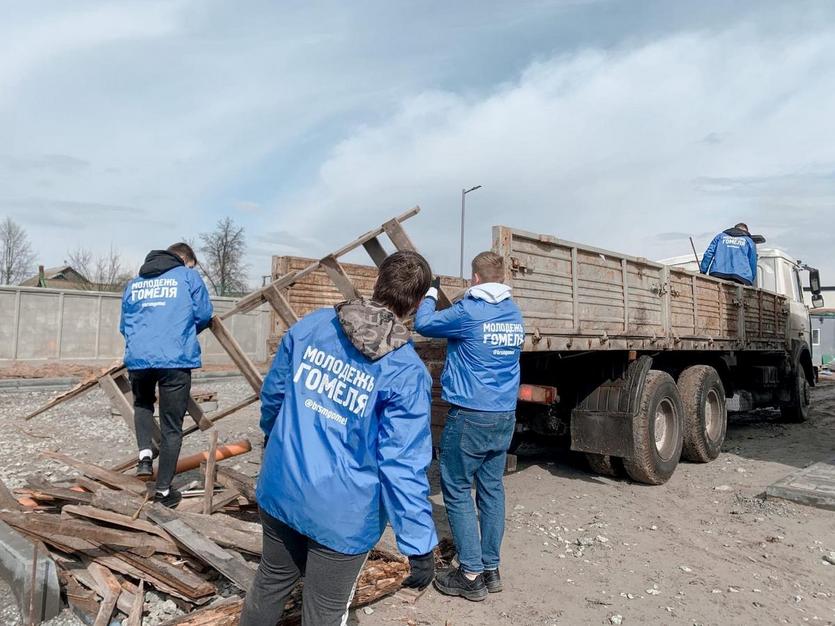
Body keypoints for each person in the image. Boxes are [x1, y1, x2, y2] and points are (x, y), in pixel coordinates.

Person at [241, 250, 438, 626]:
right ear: (414, 305)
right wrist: (419, 542)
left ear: (378, 284)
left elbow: (274, 398)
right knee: (325, 612)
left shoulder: (313, 326)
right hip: (343, 515)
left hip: (284, 486)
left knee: (270, 583)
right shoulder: (406, 371)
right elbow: (402, 463)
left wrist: (276, 445)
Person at [413, 251, 524, 602]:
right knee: (491, 490)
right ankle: (491, 569)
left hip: (470, 415)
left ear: (475, 278)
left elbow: (423, 324)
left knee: (458, 489)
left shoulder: (468, 311)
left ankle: (470, 574)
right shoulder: (513, 312)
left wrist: (431, 293)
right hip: (504, 415)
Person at [120, 243, 213, 508]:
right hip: (175, 357)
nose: (192, 269)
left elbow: (123, 325)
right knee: (173, 426)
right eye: (191, 265)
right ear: (184, 259)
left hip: (138, 358)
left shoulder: (134, 283)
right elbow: (205, 313)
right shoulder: (187, 276)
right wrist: (182, 331)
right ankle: (163, 492)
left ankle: (145, 456)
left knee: (142, 404)